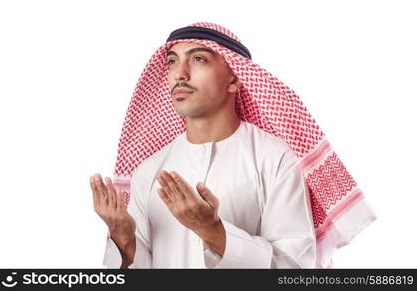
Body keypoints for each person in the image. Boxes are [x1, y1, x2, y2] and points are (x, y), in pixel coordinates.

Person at [89, 22, 376, 269]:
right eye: (172, 61)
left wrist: (214, 231)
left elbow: (294, 269)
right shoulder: (149, 170)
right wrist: (124, 240)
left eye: (198, 59)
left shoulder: (275, 158)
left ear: (236, 78)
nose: (179, 74)